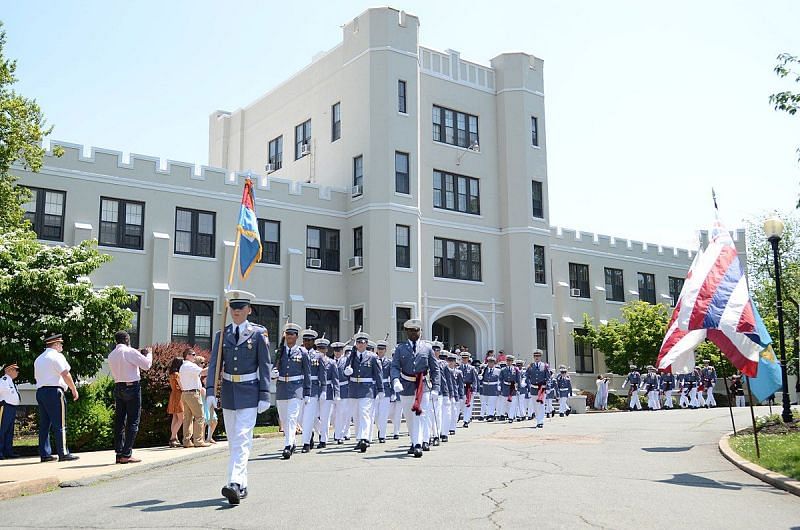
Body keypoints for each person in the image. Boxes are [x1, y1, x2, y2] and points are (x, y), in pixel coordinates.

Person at [206, 290, 272, 505]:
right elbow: (215, 365)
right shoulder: (222, 334)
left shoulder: (258, 334)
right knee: (235, 440)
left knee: (243, 437)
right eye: (233, 308)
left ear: (249, 310)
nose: (236, 311)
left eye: (241, 308)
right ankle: (241, 484)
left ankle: (233, 482)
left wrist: (264, 393)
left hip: (250, 390)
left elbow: (265, 365)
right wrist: (210, 391)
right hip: (228, 391)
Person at [390, 319, 439, 458]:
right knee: (409, 417)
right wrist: (395, 380)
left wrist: (436, 387)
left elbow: (435, 369)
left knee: (420, 415)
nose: (414, 333)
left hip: (422, 386)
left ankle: (419, 443)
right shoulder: (400, 348)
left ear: (420, 331)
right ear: (406, 332)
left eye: (416, 330)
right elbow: (395, 366)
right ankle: (415, 440)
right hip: (405, 385)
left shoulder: (427, 348)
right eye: (411, 331)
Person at [108, 332, 153, 464]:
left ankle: (119, 452)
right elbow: (146, 365)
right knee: (133, 420)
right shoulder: (130, 351)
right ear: (127, 339)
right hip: (132, 386)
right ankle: (127, 453)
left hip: (118, 386)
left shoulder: (111, 355)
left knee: (119, 421)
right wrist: (148, 353)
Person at [34, 333, 79, 462]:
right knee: (60, 424)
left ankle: (45, 454)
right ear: (56, 344)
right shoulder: (57, 356)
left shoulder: (39, 358)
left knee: (44, 425)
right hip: (54, 391)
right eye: (60, 344)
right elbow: (65, 374)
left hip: (41, 392)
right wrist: (73, 389)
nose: (61, 346)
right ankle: (63, 453)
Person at [272, 322, 310, 459]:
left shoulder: (302, 352)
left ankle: (287, 446)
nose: (289, 336)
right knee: (284, 418)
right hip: (282, 388)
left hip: (296, 389)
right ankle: (292, 441)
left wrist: (307, 392)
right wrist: (273, 373)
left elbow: (307, 373)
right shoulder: (279, 352)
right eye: (287, 334)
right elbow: (273, 368)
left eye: (292, 334)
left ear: (296, 336)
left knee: (292, 418)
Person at [344, 329, 382, 453]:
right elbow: (345, 371)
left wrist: (380, 389)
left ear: (366, 344)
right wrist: (347, 371)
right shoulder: (351, 356)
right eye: (358, 342)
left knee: (365, 413)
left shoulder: (372, 357)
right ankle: (359, 438)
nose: (360, 344)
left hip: (367, 389)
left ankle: (365, 438)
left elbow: (378, 374)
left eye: (363, 342)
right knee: (356, 415)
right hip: (354, 389)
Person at [300, 328, 326, 453]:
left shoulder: (319, 356)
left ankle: (307, 441)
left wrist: (324, 390)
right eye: (305, 340)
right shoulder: (299, 353)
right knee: (300, 417)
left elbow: (322, 374)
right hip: (299, 388)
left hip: (314, 388)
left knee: (309, 416)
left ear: (313, 342)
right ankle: (320, 431)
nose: (307, 342)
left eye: (309, 340)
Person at [179, 348, 210, 448]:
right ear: (187, 355)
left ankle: (187, 441)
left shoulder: (183, 366)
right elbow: (203, 372)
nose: (194, 356)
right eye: (193, 354)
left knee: (187, 418)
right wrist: (214, 366)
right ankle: (198, 440)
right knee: (200, 416)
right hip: (193, 394)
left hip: (185, 394)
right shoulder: (189, 365)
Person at [315, 336, 338, 448]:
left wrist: (337, 394)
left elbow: (335, 380)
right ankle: (320, 432)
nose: (321, 350)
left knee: (325, 417)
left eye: (323, 348)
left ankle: (323, 439)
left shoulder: (332, 362)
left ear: (327, 350)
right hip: (315, 390)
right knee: (312, 416)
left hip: (327, 391)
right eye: (319, 348)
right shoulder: (313, 360)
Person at [0, 362, 21, 459]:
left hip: (12, 408)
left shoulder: (11, 382)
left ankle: (8, 451)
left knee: (9, 431)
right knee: (2, 430)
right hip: (5, 407)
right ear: (9, 370)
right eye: (16, 370)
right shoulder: (3, 380)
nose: (17, 372)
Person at [527, 350, 551, 427]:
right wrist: (527, 386)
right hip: (533, 388)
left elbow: (548, 378)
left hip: (542, 388)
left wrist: (548, 387)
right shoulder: (531, 366)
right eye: (535, 356)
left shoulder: (545, 366)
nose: (536, 357)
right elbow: (526, 376)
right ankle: (538, 418)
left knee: (541, 405)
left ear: (540, 357)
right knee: (535, 405)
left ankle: (540, 421)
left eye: (538, 356)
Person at [166, 357, 184, 447]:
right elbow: (181, 386)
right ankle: (173, 438)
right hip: (178, 395)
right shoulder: (177, 374)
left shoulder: (171, 374)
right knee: (181, 418)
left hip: (173, 395)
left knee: (175, 417)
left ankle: (174, 438)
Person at [459, 351, 478, 428]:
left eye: (466, 358)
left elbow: (475, 379)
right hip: (460, 388)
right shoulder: (458, 368)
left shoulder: (472, 368)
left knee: (468, 405)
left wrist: (474, 389)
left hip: (469, 388)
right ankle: (466, 416)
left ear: (468, 359)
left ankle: (466, 420)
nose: (464, 359)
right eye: (463, 358)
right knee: (462, 405)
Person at [479, 356, 500, 421]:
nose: (491, 364)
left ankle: (491, 415)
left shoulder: (498, 371)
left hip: (493, 387)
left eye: (492, 362)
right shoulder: (484, 370)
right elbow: (481, 378)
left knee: (492, 402)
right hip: (485, 387)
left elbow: (500, 379)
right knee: (485, 402)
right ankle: (488, 414)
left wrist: (499, 386)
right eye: (489, 362)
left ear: (494, 363)